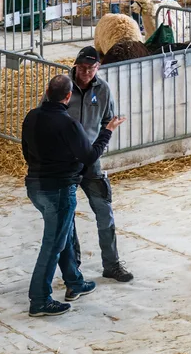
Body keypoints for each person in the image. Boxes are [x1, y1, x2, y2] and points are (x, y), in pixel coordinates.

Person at [22, 75, 125, 317]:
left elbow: (26, 152)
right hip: (59, 189)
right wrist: (107, 131)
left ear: (47, 91)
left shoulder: (31, 116)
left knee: (63, 234)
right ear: (68, 97)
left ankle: (74, 281)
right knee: (53, 243)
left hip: (35, 186)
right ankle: (39, 299)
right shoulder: (68, 125)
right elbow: (89, 156)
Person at [66, 47, 132, 283]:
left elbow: (108, 120)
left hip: (92, 163)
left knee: (105, 213)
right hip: (67, 165)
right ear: (75, 65)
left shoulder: (103, 89)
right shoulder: (64, 87)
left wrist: (99, 147)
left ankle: (112, 264)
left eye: (91, 69)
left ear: (98, 68)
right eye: (82, 68)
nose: (85, 73)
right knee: (67, 218)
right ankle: (73, 269)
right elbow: (50, 114)